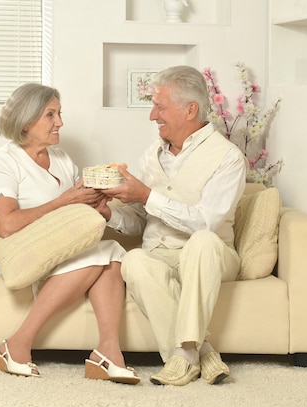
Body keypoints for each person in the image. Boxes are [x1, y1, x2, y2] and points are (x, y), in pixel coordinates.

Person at [0, 83, 139, 384]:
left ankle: (109, 350)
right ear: (26, 121)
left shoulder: (63, 160)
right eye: (50, 115)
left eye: (59, 113)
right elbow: (6, 225)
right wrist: (64, 201)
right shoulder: (3, 161)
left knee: (112, 252)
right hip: (10, 250)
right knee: (108, 253)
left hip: (55, 247)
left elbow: (73, 218)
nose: (60, 122)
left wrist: (98, 204)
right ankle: (18, 343)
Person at [99, 65, 248, 386]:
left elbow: (206, 221)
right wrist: (108, 213)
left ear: (189, 109)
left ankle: (183, 353)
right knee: (135, 260)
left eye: (160, 106)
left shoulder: (228, 157)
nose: (153, 115)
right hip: (160, 253)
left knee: (203, 241)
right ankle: (199, 353)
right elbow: (141, 219)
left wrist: (146, 194)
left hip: (212, 256)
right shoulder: (152, 154)